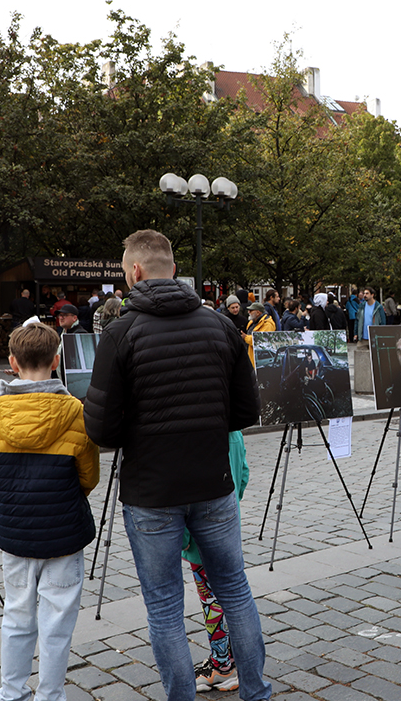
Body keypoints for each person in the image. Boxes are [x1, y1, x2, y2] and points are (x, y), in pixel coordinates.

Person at [83, 229, 270, 701]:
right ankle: (256, 692)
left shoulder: (119, 333)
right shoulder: (220, 326)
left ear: (135, 272)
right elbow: (247, 413)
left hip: (152, 492)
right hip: (213, 482)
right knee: (236, 590)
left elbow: (101, 430)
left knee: (165, 606)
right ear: (174, 270)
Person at [0, 322, 99, 701]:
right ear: (56, 360)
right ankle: (50, 694)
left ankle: (11, 692)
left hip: (14, 534)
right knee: (57, 621)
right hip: (63, 532)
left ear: (11, 362)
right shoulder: (75, 411)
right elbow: (89, 476)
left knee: (16, 615)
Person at [185, 428, 250, 693]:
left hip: (201, 533)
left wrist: (185, 536)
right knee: (233, 596)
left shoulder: (197, 431)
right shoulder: (234, 431)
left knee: (210, 600)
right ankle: (235, 661)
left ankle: (223, 665)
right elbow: (243, 473)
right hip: (228, 524)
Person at [243, 302, 276, 367]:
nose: (248, 312)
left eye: (251, 310)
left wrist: (245, 337)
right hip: (250, 356)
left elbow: (261, 340)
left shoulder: (268, 324)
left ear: (258, 312)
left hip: (258, 360)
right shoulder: (253, 322)